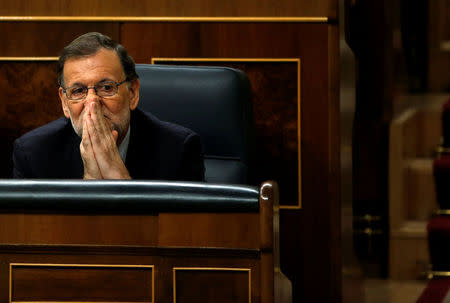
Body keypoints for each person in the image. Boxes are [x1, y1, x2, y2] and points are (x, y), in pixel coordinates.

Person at [12, 32, 205, 181]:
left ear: (132, 93)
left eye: (106, 87)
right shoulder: (34, 154)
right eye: (78, 91)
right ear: (64, 102)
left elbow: (181, 231)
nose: (92, 102)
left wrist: (120, 181)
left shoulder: (179, 149)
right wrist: (89, 187)